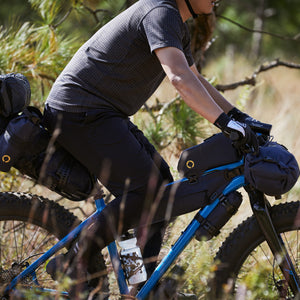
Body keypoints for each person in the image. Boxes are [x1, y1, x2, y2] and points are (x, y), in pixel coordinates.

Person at [43, 0, 259, 298]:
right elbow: (179, 79)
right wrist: (225, 123)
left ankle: (139, 285)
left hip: (101, 113)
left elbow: (195, 78)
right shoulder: (161, 11)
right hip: (79, 111)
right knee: (146, 190)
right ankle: (71, 261)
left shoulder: (175, 23)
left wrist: (239, 117)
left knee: (161, 190)